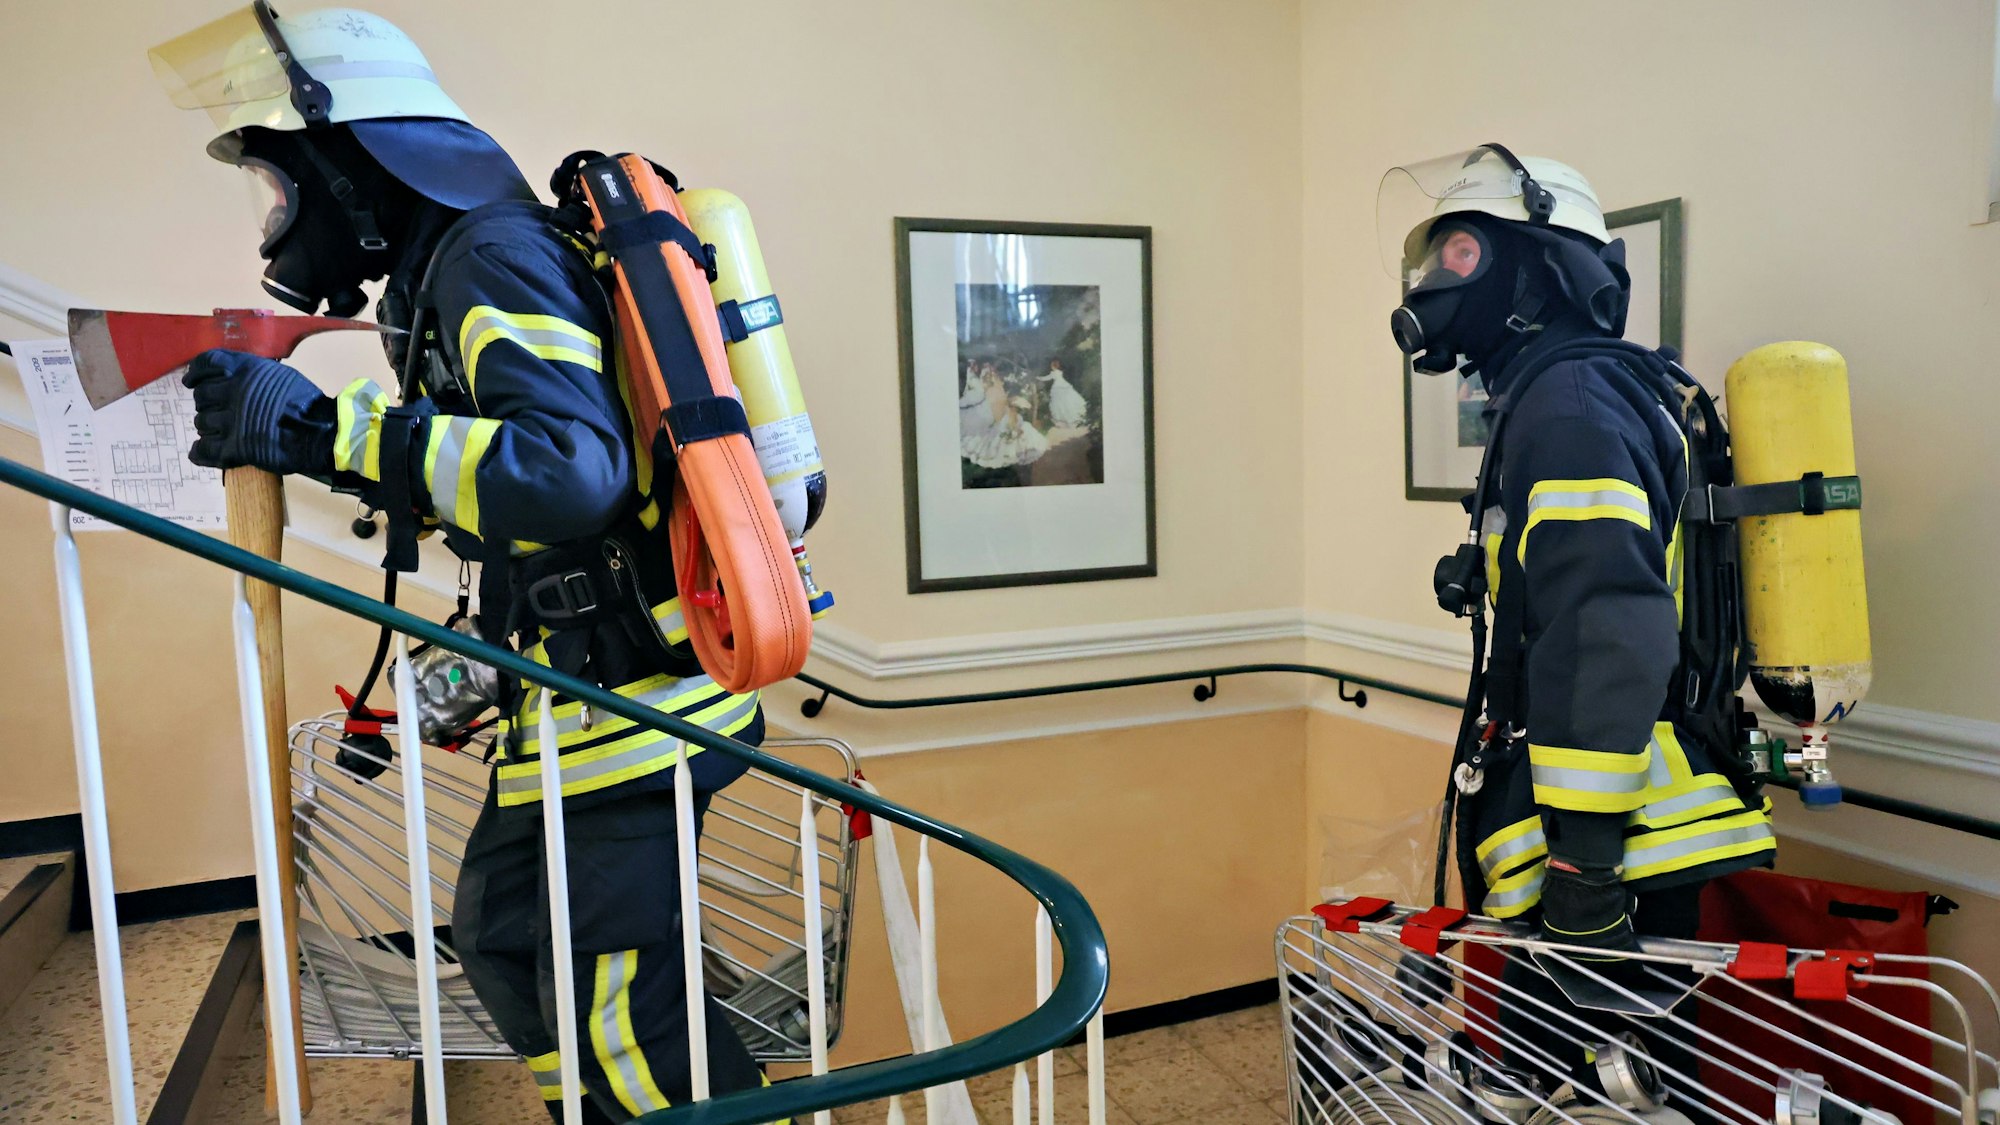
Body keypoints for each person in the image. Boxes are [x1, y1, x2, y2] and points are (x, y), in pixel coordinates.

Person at [148, 5, 775, 1120]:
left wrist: (311, 432)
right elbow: (530, 507)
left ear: (353, 163)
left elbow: (567, 471)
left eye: (279, 184)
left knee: (618, 1000)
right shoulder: (458, 268)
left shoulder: (489, 255)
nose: (278, 219)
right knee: (505, 935)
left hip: (629, 706)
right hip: (581, 694)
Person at [1380, 145, 1775, 1084]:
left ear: (1540, 266)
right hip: (1610, 843)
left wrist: (1587, 871)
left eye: (1463, 253)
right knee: (1593, 1089)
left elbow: (1605, 623)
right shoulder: (1570, 392)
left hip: (1613, 855)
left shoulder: (1569, 405)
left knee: (1582, 1092)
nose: (1437, 281)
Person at [1039, 360, 1089, 429]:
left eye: (1051, 365)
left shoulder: (1053, 373)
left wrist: (1038, 378)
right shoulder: (1060, 372)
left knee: (1060, 403)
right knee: (1065, 402)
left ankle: (1066, 421)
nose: (1051, 367)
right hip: (1063, 384)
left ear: (1053, 366)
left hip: (1058, 387)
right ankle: (1069, 420)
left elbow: (1046, 378)